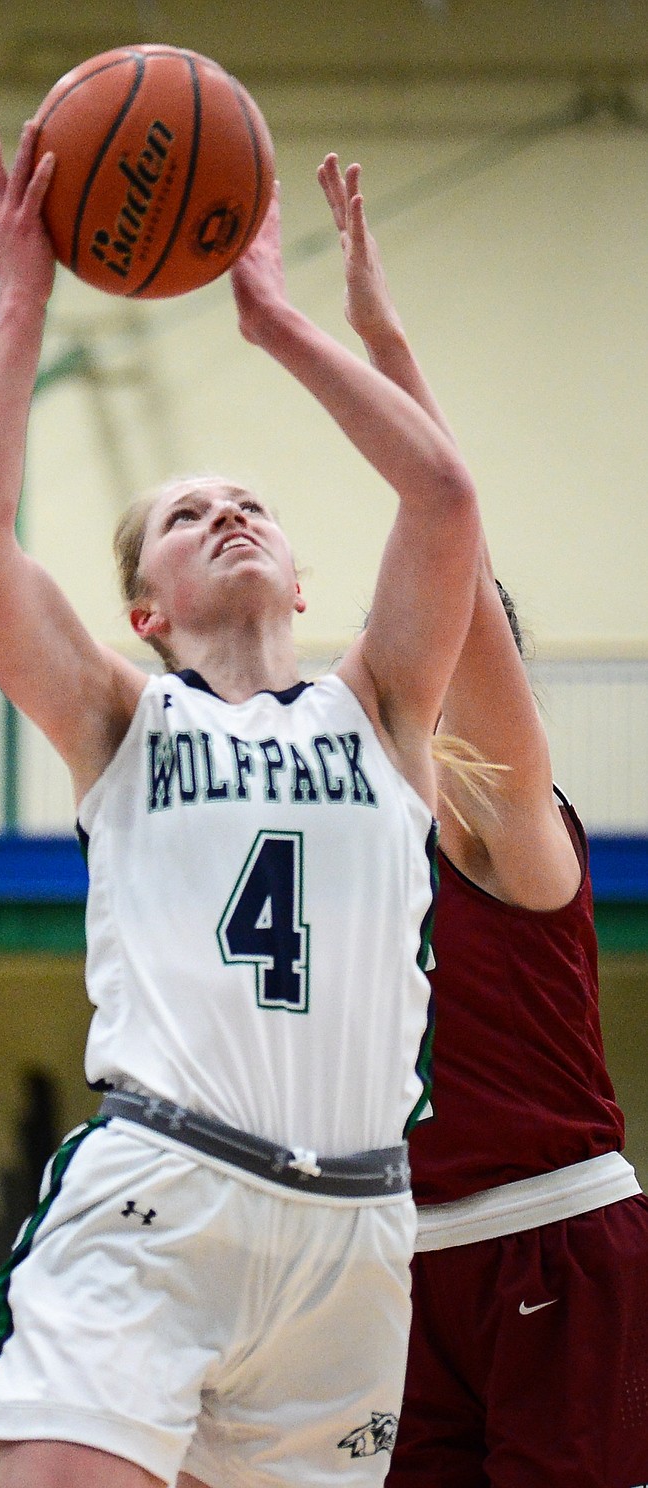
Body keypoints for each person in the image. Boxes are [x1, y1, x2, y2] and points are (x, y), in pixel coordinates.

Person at [0, 113, 482, 1488]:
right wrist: (21, 303)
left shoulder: (383, 710)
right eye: (188, 516)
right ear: (144, 604)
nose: (228, 515)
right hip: (159, 1197)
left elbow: (439, 495)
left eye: (251, 505)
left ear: (303, 581)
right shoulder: (123, 716)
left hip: (353, 1237)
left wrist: (282, 327)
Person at [318, 153, 648, 1488]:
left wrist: (384, 347)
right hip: (398, 1260)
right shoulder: (341, 835)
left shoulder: (497, 814)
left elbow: (452, 533)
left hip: (546, 1238)